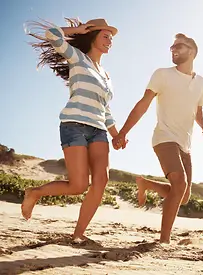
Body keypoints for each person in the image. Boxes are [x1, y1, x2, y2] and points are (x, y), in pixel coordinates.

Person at [21, 18, 126, 240]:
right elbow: (52, 34)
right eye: (106, 36)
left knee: (101, 180)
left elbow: (105, 110)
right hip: (74, 125)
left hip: (98, 130)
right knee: (79, 185)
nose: (110, 41)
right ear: (93, 36)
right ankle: (35, 193)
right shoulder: (78, 58)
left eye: (112, 38)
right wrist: (77, 30)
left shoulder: (107, 76)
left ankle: (79, 234)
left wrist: (117, 135)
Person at [112, 33, 203, 244]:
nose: (173, 50)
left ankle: (146, 183)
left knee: (182, 195)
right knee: (179, 182)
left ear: (192, 52)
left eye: (179, 47)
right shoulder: (162, 74)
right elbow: (143, 104)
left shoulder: (202, 83)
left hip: (186, 143)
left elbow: (198, 112)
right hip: (164, 137)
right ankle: (164, 240)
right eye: (172, 47)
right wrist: (123, 132)